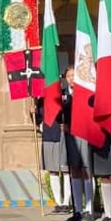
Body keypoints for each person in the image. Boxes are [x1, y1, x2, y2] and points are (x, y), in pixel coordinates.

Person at [62, 66, 95, 221]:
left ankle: (90, 208)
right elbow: (55, 112)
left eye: (73, 75)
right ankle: (78, 209)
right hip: (71, 135)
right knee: (74, 169)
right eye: (68, 76)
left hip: (85, 133)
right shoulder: (63, 94)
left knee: (86, 169)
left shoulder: (86, 91)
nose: (71, 78)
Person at [35, 76, 71, 213]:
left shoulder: (65, 96)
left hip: (63, 135)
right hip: (49, 136)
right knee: (53, 170)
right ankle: (58, 202)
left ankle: (67, 201)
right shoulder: (41, 100)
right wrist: (32, 112)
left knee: (66, 170)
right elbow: (38, 118)